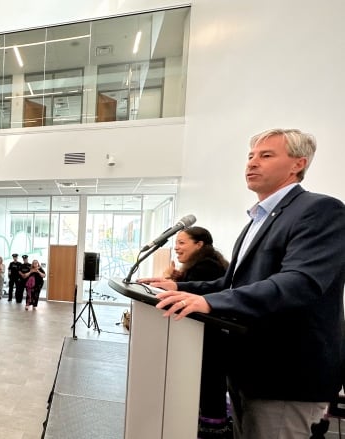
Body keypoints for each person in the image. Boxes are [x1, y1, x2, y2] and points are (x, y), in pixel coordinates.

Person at [146, 128, 345, 439]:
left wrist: (213, 302)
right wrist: (180, 289)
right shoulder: (259, 218)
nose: (252, 163)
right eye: (251, 156)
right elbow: (232, 282)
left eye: (266, 155)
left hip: (286, 376)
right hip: (247, 371)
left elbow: (300, 282)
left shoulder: (320, 210)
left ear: (298, 164)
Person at [158, 226, 231, 438]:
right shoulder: (206, 264)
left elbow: (194, 294)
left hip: (207, 342)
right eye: (176, 242)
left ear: (199, 244)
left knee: (208, 392)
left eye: (182, 242)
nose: (176, 247)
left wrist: (169, 279)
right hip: (207, 340)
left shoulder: (207, 267)